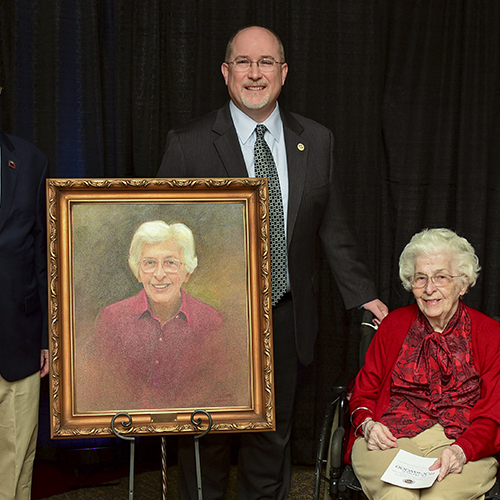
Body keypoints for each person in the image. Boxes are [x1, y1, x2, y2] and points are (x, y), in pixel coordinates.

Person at [157, 25, 388, 499]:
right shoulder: (189, 143)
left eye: (266, 63)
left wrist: (363, 294)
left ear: (283, 73)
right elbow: (161, 235)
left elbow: (333, 226)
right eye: (244, 62)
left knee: (271, 443)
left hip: (285, 318)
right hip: (210, 322)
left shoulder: (316, 140)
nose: (255, 73)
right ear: (226, 73)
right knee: (205, 443)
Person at [348, 228, 500, 500]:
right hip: (391, 439)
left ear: (463, 283)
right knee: (399, 496)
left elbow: (493, 413)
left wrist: (462, 449)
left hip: (461, 443)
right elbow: (363, 393)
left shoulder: (490, 335)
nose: (430, 289)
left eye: (441, 277)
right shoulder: (393, 325)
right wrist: (368, 425)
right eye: (421, 278)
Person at [85, 220, 241, 411]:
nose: (159, 274)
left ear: (187, 272)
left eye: (170, 263)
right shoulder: (112, 319)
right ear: (138, 271)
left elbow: (222, 398)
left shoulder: (211, 322)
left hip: (190, 435)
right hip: (128, 435)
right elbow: (100, 396)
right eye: (149, 263)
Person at [0, 128, 49, 500]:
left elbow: (41, 257)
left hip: (19, 340)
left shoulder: (30, 160)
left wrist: (48, 336)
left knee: (16, 465)